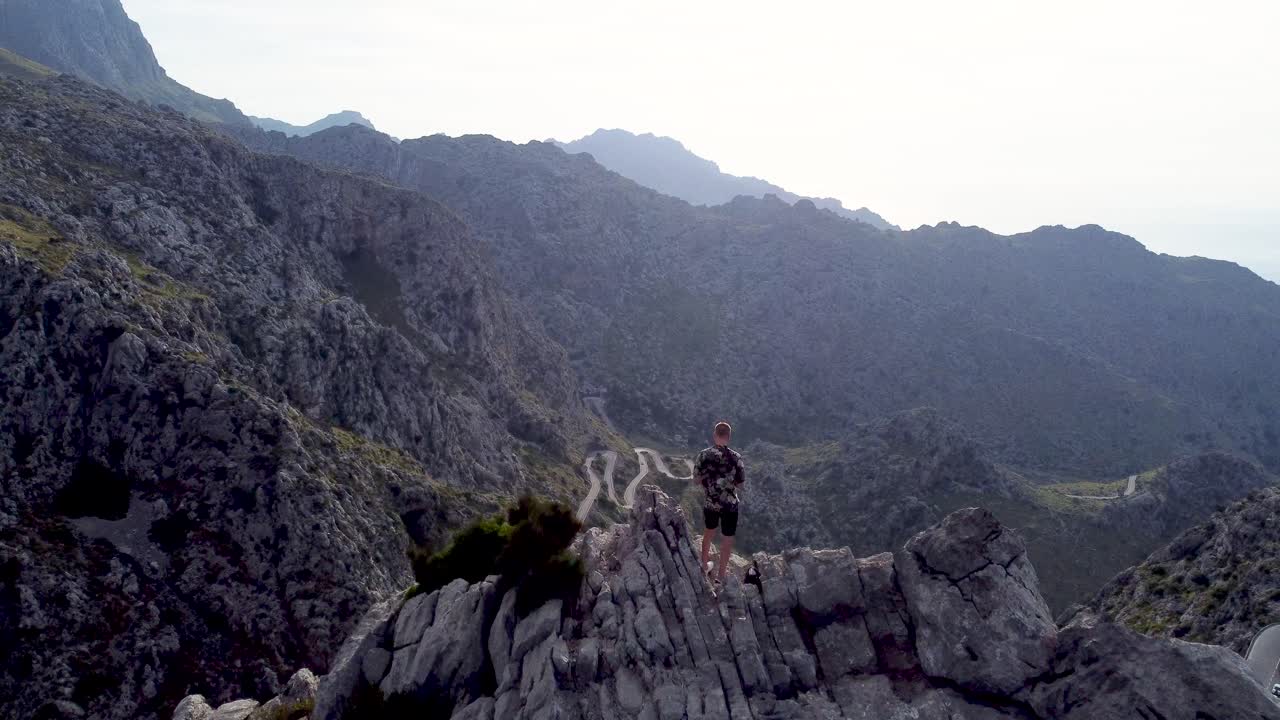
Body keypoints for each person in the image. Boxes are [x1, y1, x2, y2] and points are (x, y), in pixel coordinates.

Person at [695, 421, 745, 587]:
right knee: (727, 539)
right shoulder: (736, 458)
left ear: (715, 435)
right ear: (729, 437)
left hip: (711, 502)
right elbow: (740, 484)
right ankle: (721, 577)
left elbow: (696, 480)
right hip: (730, 505)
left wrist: (709, 476)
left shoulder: (703, 455)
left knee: (709, 532)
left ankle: (704, 565)